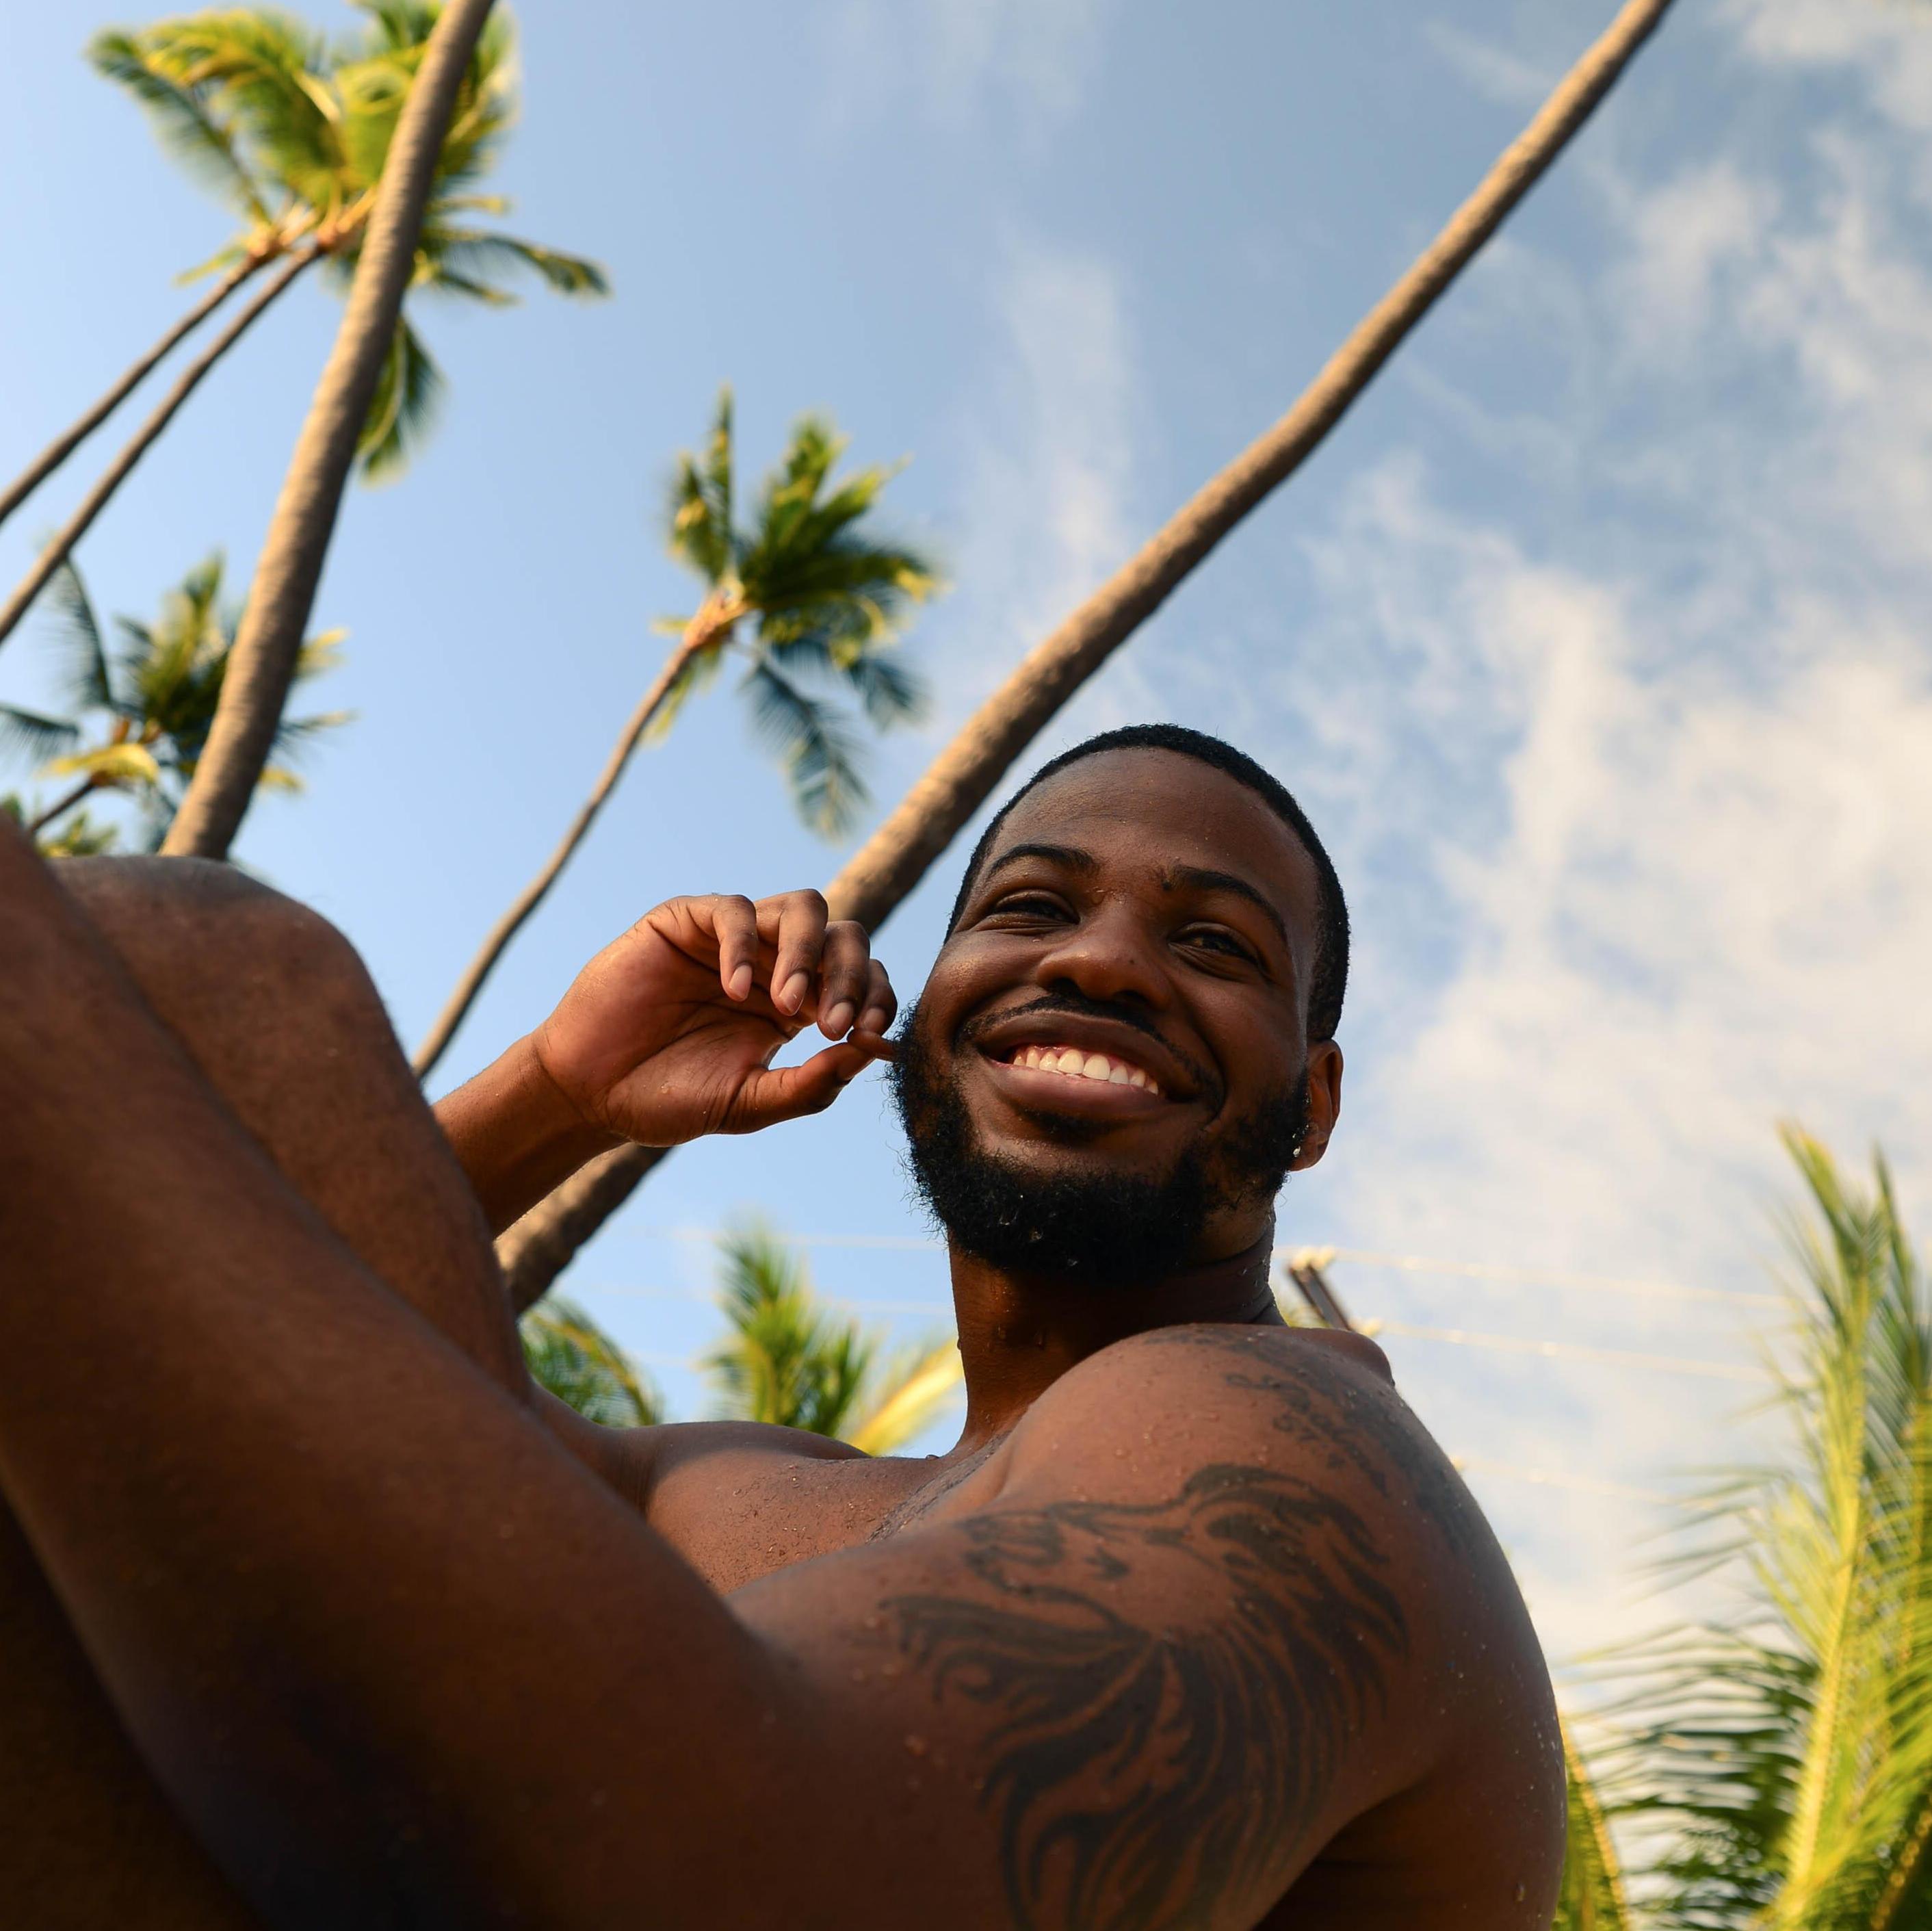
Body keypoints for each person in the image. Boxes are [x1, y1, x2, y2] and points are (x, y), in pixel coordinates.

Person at [0, 724, 1563, 1930]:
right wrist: (558, 1092)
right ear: (927, 995)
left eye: (1215, 945)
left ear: (1316, 1103)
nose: (1096, 962)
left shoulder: (1301, 1458)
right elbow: (216, 1431)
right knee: (217, 982)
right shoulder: (733, 1493)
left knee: (222, 966)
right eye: (1028, 908)